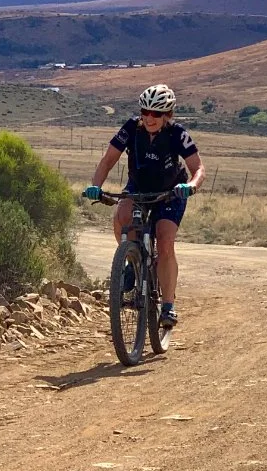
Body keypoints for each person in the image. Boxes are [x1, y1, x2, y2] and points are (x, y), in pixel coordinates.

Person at [83, 84, 204, 328]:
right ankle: (131, 259)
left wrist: (190, 186)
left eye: (157, 114)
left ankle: (168, 305)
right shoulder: (130, 128)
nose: (149, 118)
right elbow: (108, 160)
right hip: (138, 186)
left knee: (165, 239)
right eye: (145, 111)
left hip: (171, 191)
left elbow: (198, 168)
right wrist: (95, 185)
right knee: (122, 216)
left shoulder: (177, 134)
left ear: (167, 115)